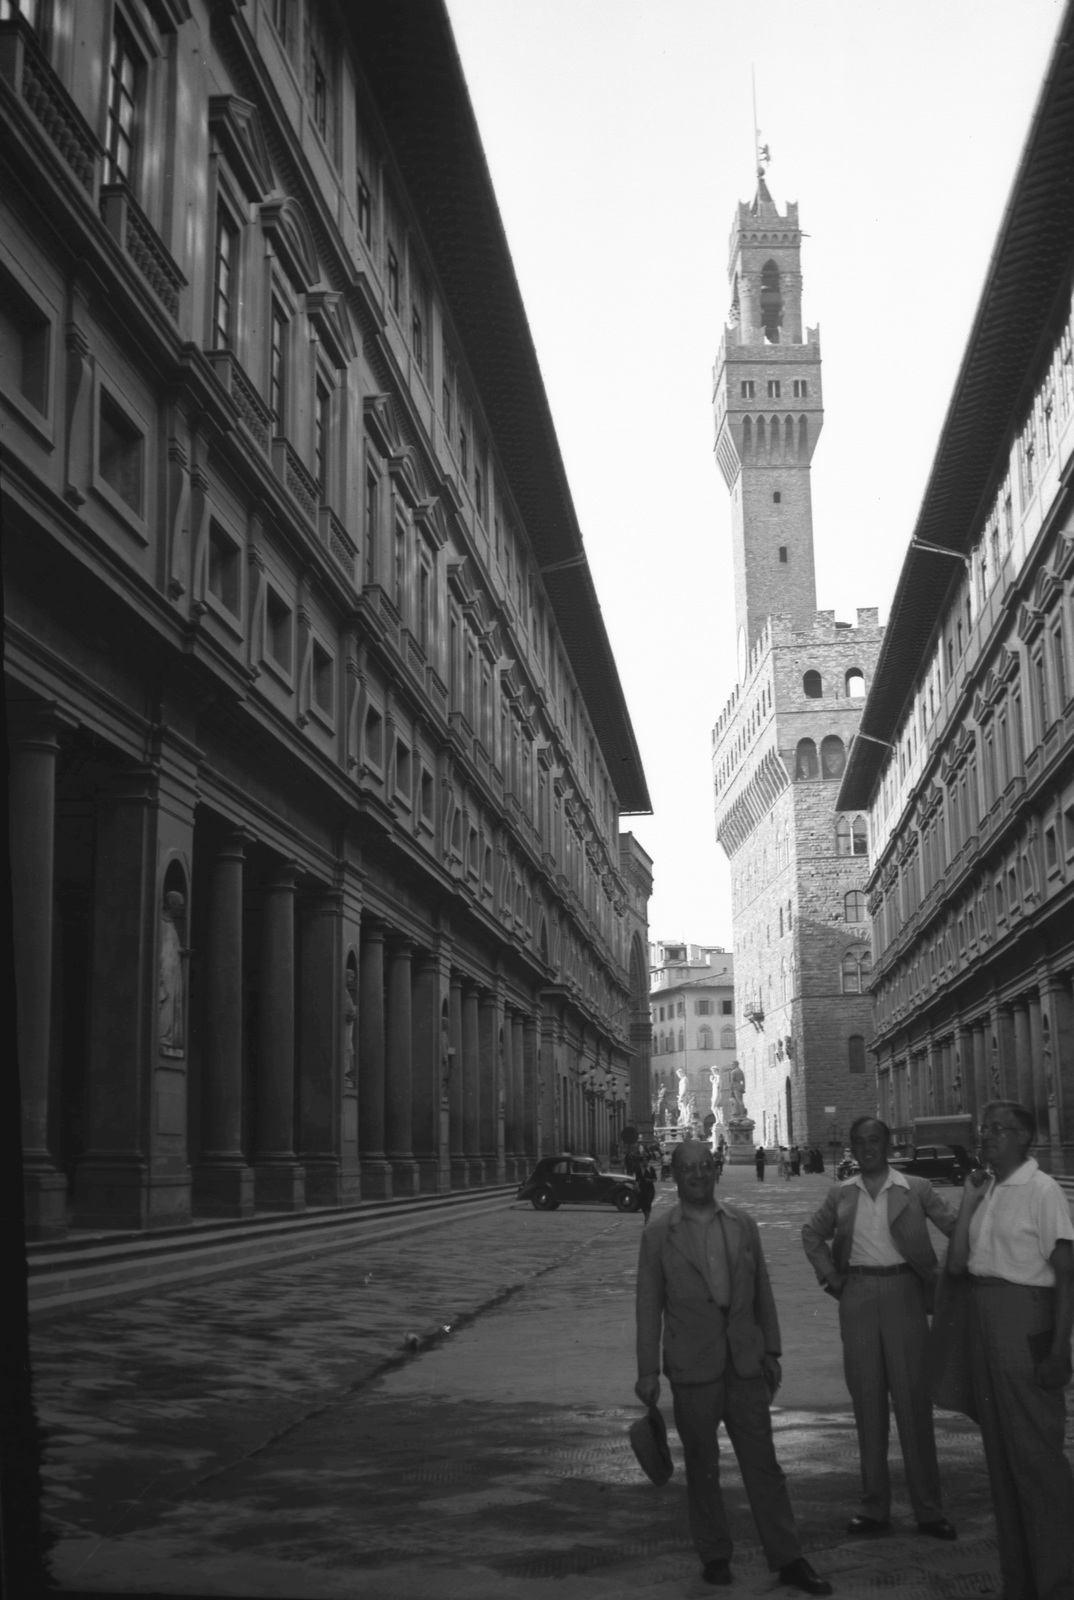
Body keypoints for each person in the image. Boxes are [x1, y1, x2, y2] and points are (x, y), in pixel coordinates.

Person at [635, 1141, 832, 1594]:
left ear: (715, 1170)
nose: (700, 1175)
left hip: (744, 1362)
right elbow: (648, 1305)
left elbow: (762, 1288)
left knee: (764, 1463)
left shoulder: (743, 1224)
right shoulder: (658, 1234)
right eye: (690, 1169)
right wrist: (648, 1370)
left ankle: (788, 1558)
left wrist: (773, 1351)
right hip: (692, 1367)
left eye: (706, 1166)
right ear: (676, 1174)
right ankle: (715, 1555)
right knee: (702, 1467)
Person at [801, 1116, 957, 1540]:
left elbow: (955, 1228)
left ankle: (928, 1508)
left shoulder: (916, 1189)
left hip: (905, 1292)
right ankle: (873, 1507)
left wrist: (941, 1276)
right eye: (859, 1142)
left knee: (913, 1402)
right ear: (852, 1148)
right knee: (867, 1401)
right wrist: (831, 1279)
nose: (867, 1148)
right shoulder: (842, 1193)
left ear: (887, 1145)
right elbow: (811, 1235)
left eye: (874, 1141)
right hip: (859, 1297)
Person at [946, 1100, 1074, 1600]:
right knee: (1000, 1462)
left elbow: (1066, 1274)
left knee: (1037, 1460)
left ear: (1026, 1138)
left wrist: (1061, 1348)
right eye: (985, 1128)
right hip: (985, 1325)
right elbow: (957, 1265)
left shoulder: (1042, 1191)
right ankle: (1018, 1580)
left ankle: (1058, 1581)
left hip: (1024, 1326)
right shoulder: (988, 1189)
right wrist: (968, 1204)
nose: (988, 1136)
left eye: (1000, 1129)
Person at [637, 1159, 656, 1224]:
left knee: (648, 1203)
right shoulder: (639, 1170)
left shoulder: (651, 1169)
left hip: (650, 1189)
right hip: (642, 1188)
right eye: (643, 1163)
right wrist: (637, 1187)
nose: (645, 1164)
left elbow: (655, 1179)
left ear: (648, 1163)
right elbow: (637, 1180)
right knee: (642, 1204)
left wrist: (649, 1180)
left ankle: (647, 1219)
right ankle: (646, 1216)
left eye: (646, 1163)